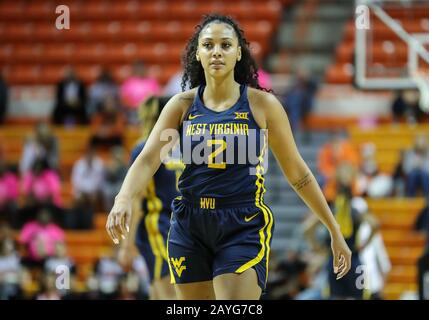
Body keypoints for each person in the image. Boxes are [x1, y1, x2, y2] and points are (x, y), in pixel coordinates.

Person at [106, 14, 352, 300]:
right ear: (197, 53)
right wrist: (122, 198)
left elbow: (298, 173)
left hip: (241, 221)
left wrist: (333, 229)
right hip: (189, 222)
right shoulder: (180, 106)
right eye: (208, 45)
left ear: (238, 53)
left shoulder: (263, 105)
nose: (217, 52)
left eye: (225, 45)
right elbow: (148, 159)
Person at [117, 96, 181, 300]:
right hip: (169, 226)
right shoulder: (153, 149)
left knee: (162, 293)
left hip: (168, 227)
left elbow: (137, 202)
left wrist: (127, 247)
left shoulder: (154, 148)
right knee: (162, 291)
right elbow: (136, 201)